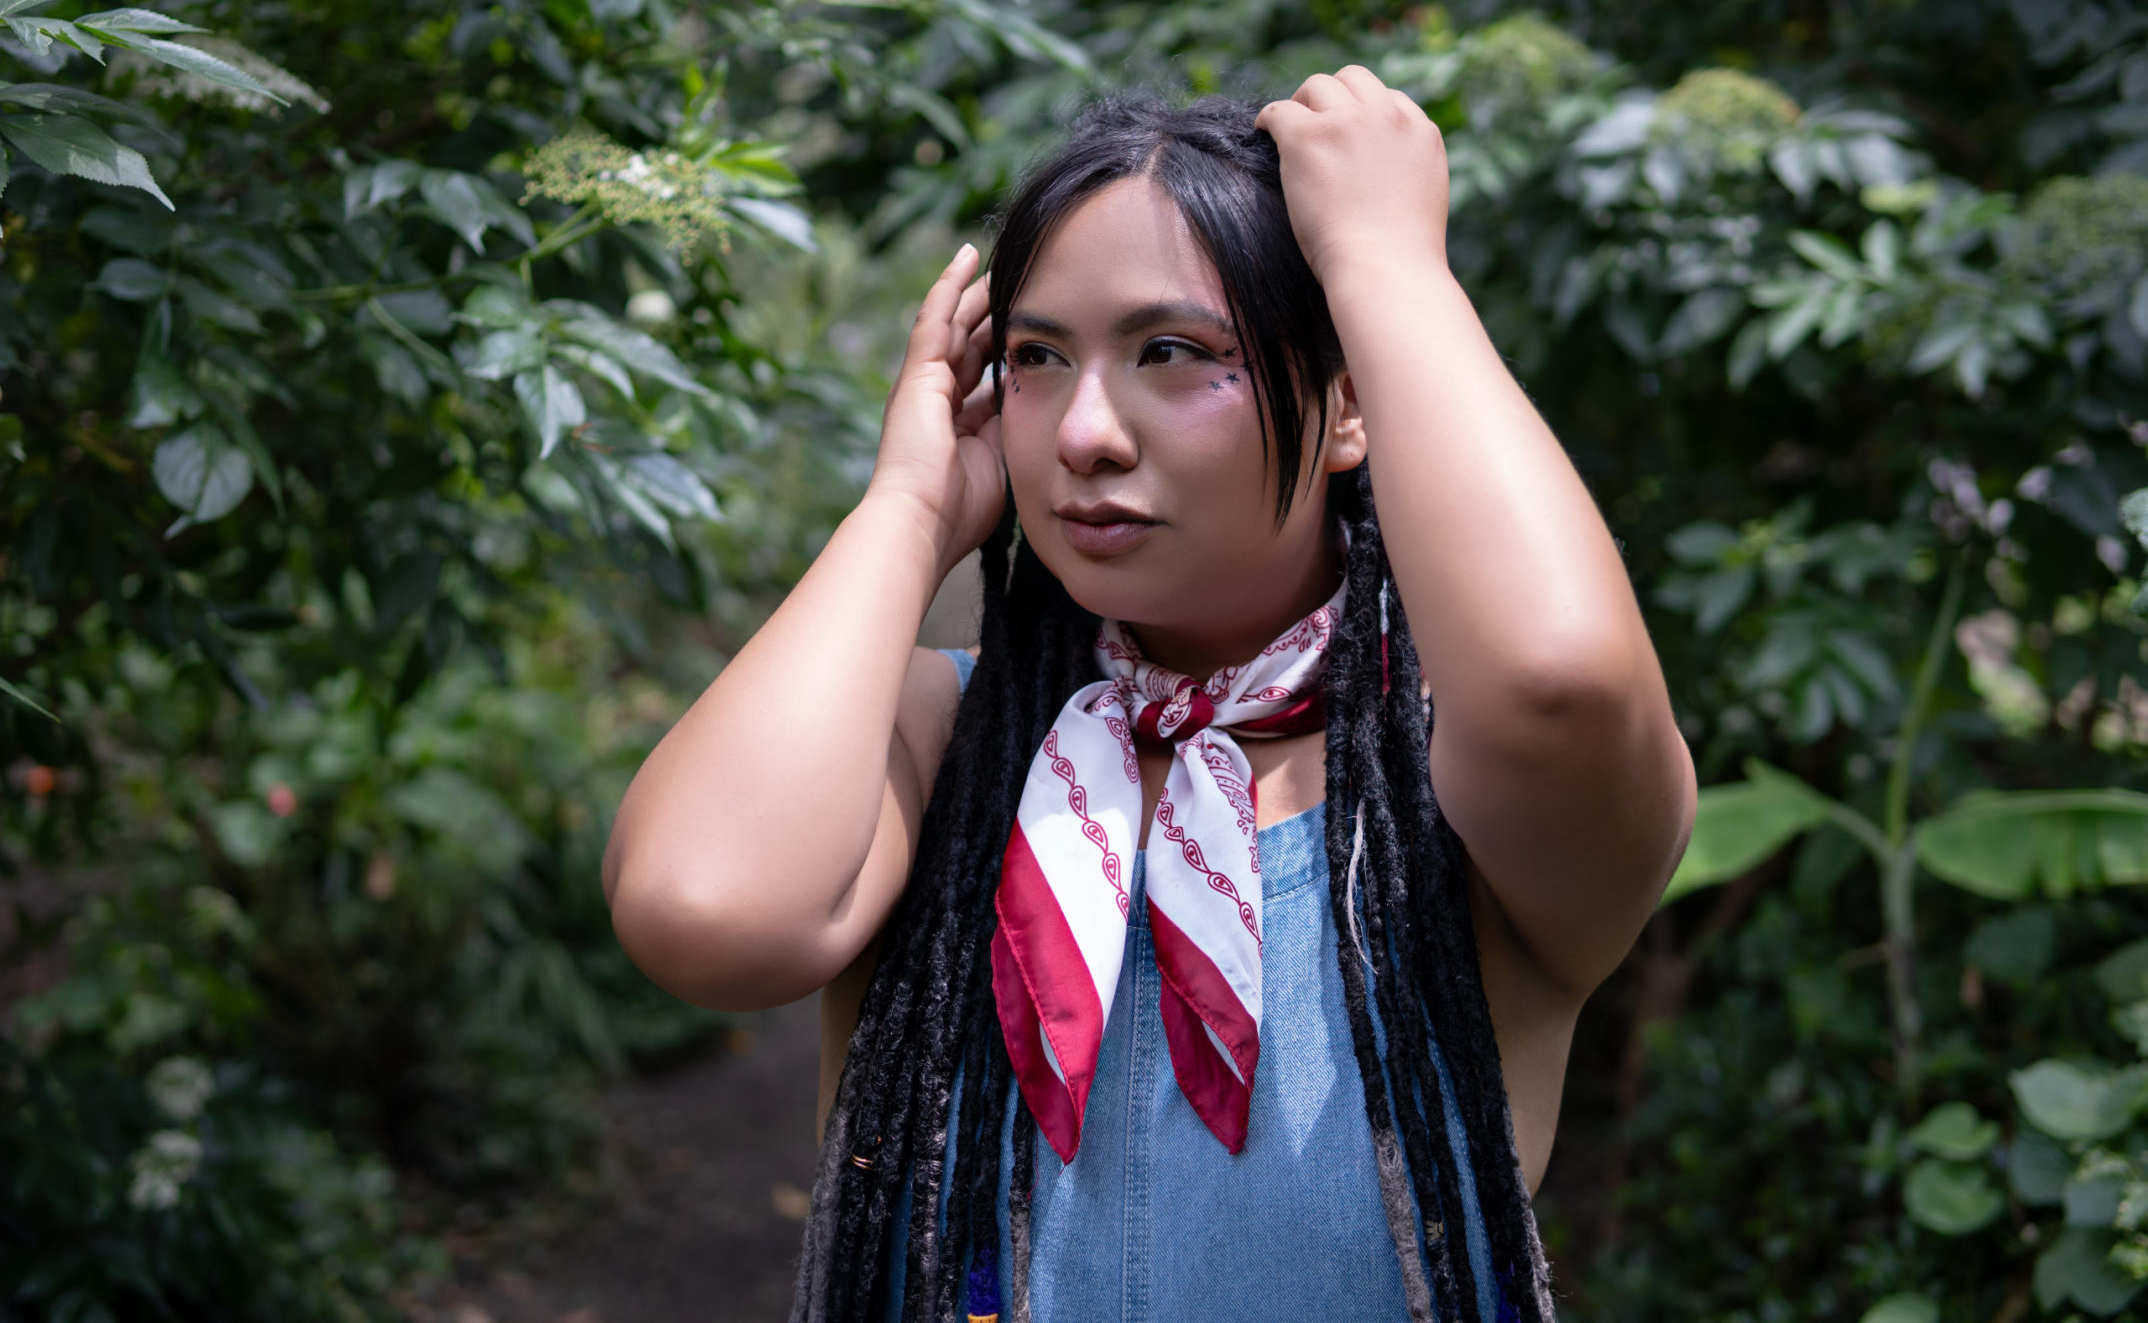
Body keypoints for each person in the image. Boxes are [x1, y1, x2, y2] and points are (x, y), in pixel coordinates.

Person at [603, 64, 1696, 1322]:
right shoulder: (940, 737)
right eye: (1037, 358)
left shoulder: (1454, 787)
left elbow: (1561, 679)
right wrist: (907, 509)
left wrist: (1391, 265)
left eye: (1170, 352)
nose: (1085, 432)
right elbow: (700, 906)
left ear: (1347, 401)